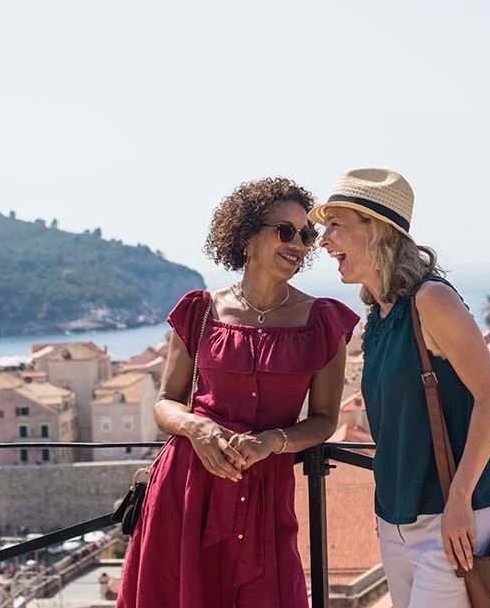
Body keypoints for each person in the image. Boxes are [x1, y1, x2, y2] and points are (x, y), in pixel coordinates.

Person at [116, 177, 359, 608]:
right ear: (247, 234)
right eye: (286, 231)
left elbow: (323, 419)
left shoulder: (321, 322)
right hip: (188, 487)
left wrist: (273, 442)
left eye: (306, 235)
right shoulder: (200, 311)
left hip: (265, 492)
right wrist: (197, 429)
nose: (299, 244)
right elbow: (166, 404)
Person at [309, 169, 490, 608]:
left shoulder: (430, 300)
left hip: (452, 520)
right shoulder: (379, 317)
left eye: (335, 224)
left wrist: (459, 499)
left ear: (376, 229)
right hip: (395, 521)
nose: (323, 240)